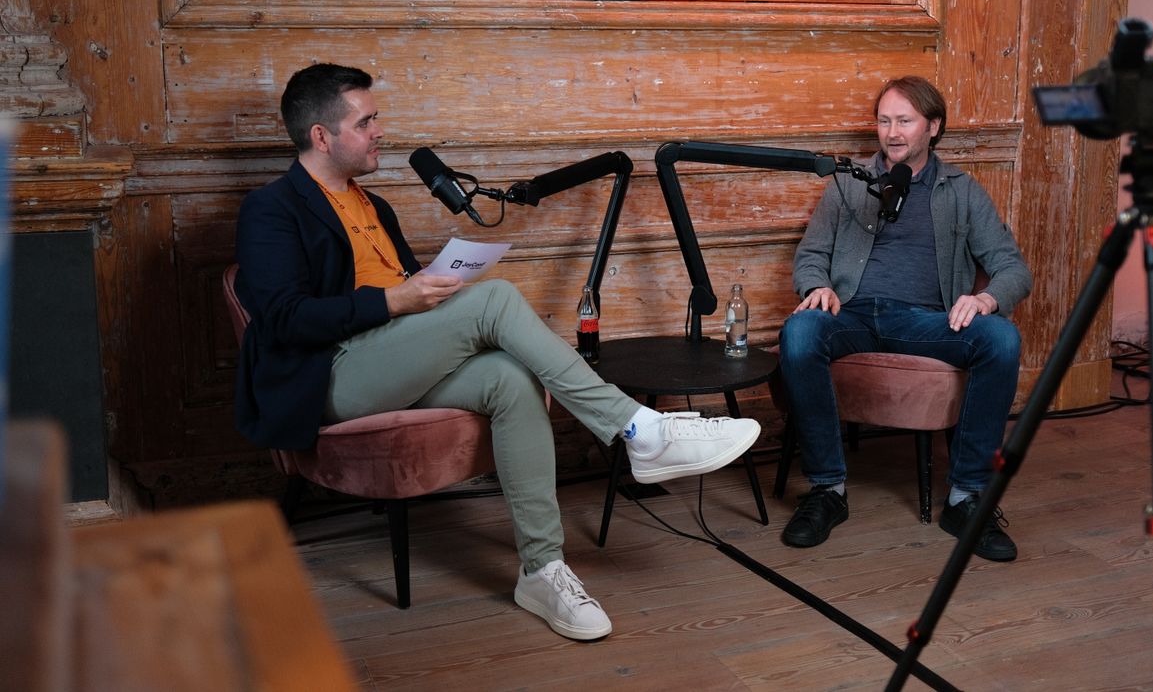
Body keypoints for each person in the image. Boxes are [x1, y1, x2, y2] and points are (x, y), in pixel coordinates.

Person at [233, 63, 761, 640]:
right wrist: (397, 300)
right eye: (366, 121)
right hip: (330, 377)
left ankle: (542, 569)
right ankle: (639, 430)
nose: (379, 130)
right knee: (497, 301)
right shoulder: (272, 208)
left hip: (390, 357)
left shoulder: (373, 206)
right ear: (321, 136)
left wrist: (430, 287)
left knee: (510, 378)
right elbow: (284, 317)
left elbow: (401, 287)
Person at [777, 75, 1031, 561]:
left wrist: (985, 301)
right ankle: (828, 491)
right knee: (800, 330)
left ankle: (966, 500)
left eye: (905, 121)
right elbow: (810, 256)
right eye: (884, 120)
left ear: (933, 127)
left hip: (926, 322)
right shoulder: (848, 184)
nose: (892, 132)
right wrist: (818, 286)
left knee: (999, 340)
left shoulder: (961, 191)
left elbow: (1011, 267)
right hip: (851, 314)